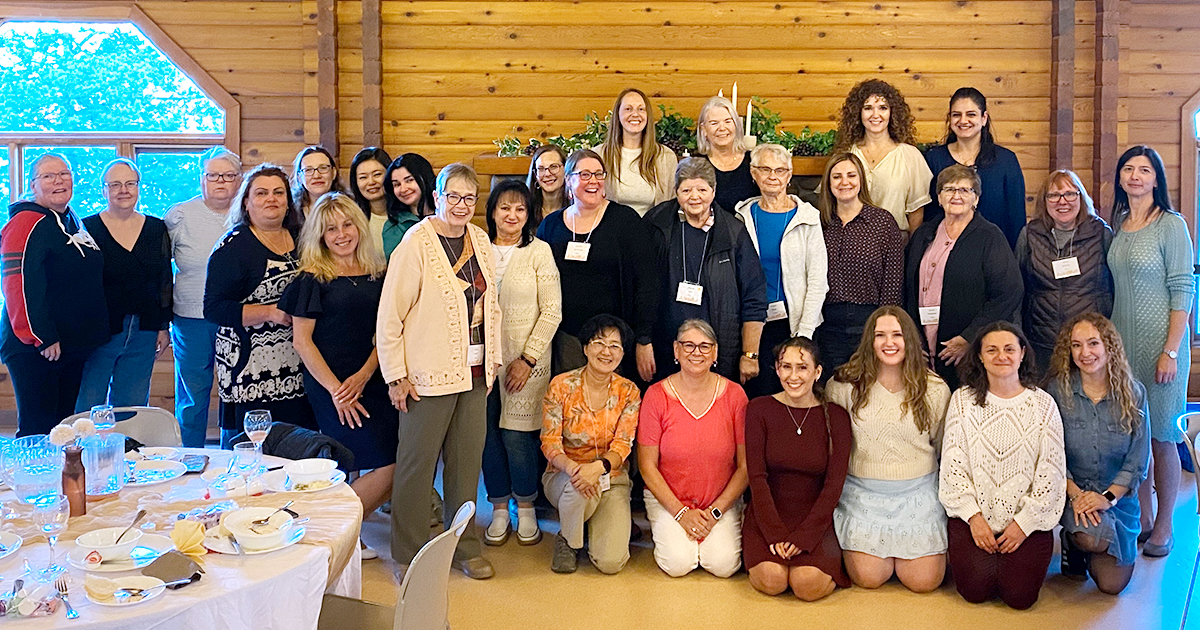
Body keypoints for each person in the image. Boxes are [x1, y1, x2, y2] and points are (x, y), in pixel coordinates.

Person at [378, 163, 501, 580]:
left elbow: (492, 307)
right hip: (426, 374)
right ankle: (409, 554)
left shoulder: (481, 240)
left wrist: (495, 359)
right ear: (437, 197)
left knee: (466, 465)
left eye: (470, 198)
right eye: (454, 196)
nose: (462, 205)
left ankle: (464, 546)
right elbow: (390, 315)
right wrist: (396, 375)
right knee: (417, 465)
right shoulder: (416, 243)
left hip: (475, 371)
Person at [279, 192, 395, 558]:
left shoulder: (379, 273)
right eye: (331, 229)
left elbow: (389, 330)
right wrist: (337, 390)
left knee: (390, 459)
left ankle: (336, 529)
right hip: (329, 381)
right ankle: (335, 531)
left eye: (347, 225)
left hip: (372, 376)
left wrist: (364, 374)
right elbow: (302, 341)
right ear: (319, 235)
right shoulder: (312, 278)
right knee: (351, 457)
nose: (341, 234)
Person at [939, 322, 1065, 610]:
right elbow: (953, 466)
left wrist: (1024, 524)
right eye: (991, 350)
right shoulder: (962, 401)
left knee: (1020, 599)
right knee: (974, 591)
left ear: (1022, 354)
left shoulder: (1043, 404)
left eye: (1009, 349)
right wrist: (974, 518)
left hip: (1025, 523)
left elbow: (1052, 473)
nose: (1001, 356)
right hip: (975, 521)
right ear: (980, 356)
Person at [1107, 145, 1193, 558]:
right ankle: (1141, 517)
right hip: (1123, 352)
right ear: (1121, 178)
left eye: (1144, 170)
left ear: (1156, 179)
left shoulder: (1171, 225)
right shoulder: (1119, 224)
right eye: (1129, 169)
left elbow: (1183, 290)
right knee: (1136, 438)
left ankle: (1164, 526)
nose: (1136, 176)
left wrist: (1171, 352)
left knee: (1162, 438)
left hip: (1162, 349)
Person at [827, 306, 951, 592]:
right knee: (869, 578)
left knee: (924, 582)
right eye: (880, 335)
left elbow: (942, 446)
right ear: (869, 341)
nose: (889, 343)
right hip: (864, 494)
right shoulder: (844, 386)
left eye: (897, 335)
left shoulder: (934, 389)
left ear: (909, 339)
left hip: (917, 493)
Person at [204, 164, 314, 447]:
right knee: (258, 451)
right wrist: (269, 312)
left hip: (299, 364)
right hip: (251, 370)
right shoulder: (233, 246)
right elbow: (214, 308)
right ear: (246, 202)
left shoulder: (302, 239)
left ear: (289, 202)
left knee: (298, 445)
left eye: (279, 193)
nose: (271, 199)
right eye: (262, 193)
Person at [0, 154, 107, 436]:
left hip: (71, 346)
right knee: (38, 429)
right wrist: (41, 336)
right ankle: (30, 479)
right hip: (38, 347)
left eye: (64, 174)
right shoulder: (25, 223)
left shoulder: (70, 219)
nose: (58, 180)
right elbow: (18, 284)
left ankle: (63, 480)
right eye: (48, 176)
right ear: (33, 185)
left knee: (63, 431)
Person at [481, 180, 562, 547]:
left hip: (526, 362)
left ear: (529, 215)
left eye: (520, 209)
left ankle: (525, 506)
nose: (511, 216)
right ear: (493, 211)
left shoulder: (538, 251)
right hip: (479, 361)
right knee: (487, 436)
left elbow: (552, 311)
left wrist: (527, 359)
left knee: (517, 436)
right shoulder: (476, 246)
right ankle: (498, 506)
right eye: (504, 208)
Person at [1046, 312, 1150, 594]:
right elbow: (1051, 455)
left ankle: (1089, 544)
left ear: (1109, 347)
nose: (1085, 352)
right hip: (1074, 494)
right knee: (1093, 539)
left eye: (1093, 343)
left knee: (1111, 586)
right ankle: (1075, 539)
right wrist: (1077, 496)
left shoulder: (1134, 393)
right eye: (1076, 345)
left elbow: (1138, 460)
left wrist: (1107, 499)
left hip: (1117, 498)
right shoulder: (1057, 391)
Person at [743, 336, 851, 601]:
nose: (794, 375)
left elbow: (833, 485)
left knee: (807, 585)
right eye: (786, 366)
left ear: (817, 372)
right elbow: (757, 478)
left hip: (815, 518)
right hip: (767, 515)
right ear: (777, 370)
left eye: (802, 367)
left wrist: (806, 535)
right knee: (772, 579)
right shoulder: (759, 409)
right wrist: (774, 532)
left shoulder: (836, 417)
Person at [638, 319, 749, 578]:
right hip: (669, 501)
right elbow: (646, 466)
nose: (696, 353)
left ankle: (707, 535)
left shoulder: (735, 395)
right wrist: (682, 514)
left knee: (723, 566)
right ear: (676, 351)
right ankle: (685, 536)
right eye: (688, 345)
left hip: (720, 500)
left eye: (704, 346)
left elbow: (745, 467)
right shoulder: (656, 395)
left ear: (715, 353)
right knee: (677, 565)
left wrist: (715, 512)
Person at [536, 149, 657, 381]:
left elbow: (647, 282)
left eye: (599, 174)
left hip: (613, 341)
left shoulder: (625, 221)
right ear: (568, 180)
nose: (593, 181)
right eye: (584, 175)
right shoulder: (550, 226)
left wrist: (644, 338)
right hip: (566, 340)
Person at [644, 157, 767, 383]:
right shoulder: (656, 224)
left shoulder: (733, 232)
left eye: (702, 189)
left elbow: (754, 295)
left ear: (713, 191)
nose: (694, 197)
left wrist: (750, 354)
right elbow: (640, 287)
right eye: (686, 189)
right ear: (676, 192)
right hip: (664, 347)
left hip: (719, 351)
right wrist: (643, 342)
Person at [905, 164, 1022, 390]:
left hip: (966, 350)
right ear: (939, 197)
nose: (956, 196)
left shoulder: (989, 237)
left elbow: (1009, 293)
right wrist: (912, 337)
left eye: (965, 190)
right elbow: (907, 288)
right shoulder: (924, 234)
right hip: (922, 346)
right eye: (949, 189)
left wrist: (969, 338)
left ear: (976, 199)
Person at [541, 314, 640, 574]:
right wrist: (575, 469)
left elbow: (623, 443)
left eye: (615, 346)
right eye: (599, 343)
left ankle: (585, 522)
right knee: (577, 489)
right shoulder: (561, 386)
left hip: (611, 477)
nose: (606, 352)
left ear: (621, 354)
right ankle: (569, 541)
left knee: (610, 563)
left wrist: (598, 468)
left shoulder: (629, 392)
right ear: (585, 348)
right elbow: (550, 442)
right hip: (565, 477)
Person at [76, 159, 172, 411]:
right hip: (99, 331)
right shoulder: (86, 228)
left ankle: (128, 450)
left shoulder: (156, 228)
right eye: (115, 184)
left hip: (144, 330)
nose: (124, 190)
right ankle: (84, 451)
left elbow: (164, 277)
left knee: (132, 406)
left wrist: (163, 327)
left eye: (130, 183)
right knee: (87, 403)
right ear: (103, 190)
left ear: (139, 187)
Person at [735, 143, 828, 397]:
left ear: (789, 175)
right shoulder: (741, 216)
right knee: (759, 397)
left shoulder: (808, 218)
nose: (772, 176)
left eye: (780, 170)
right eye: (765, 169)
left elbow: (818, 282)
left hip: (795, 323)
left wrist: (804, 336)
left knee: (796, 396)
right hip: (753, 325)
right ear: (754, 174)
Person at [166, 147, 242, 447]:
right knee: (192, 396)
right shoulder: (180, 215)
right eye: (213, 175)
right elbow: (160, 267)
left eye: (228, 175)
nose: (220, 181)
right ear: (202, 179)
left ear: (240, 179)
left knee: (235, 393)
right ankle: (188, 458)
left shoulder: (248, 214)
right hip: (190, 320)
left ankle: (234, 457)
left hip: (237, 319)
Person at [1016, 170, 1113, 372]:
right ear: (1044, 201)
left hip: (1089, 344)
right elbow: (1018, 287)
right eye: (1053, 195)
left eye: (1070, 194)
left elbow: (1115, 286)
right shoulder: (1030, 234)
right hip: (1042, 341)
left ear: (1081, 197)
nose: (1062, 201)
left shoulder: (1101, 233)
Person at [816, 152, 904, 375]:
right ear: (828, 183)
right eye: (837, 177)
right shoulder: (818, 223)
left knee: (868, 387)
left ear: (861, 180)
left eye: (851, 175)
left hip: (869, 323)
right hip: (826, 324)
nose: (844, 182)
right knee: (831, 390)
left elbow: (892, 281)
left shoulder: (882, 222)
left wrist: (885, 329)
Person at [924, 87, 1027, 248]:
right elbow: (929, 215)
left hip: (994, 253)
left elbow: (1016, 218)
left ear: (984, 118)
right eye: (956, 114)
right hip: (945, 253)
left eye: (971, 114)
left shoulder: (1006, 161)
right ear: (949, 118)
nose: (963, 121)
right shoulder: (934, 159)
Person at [832, 78, 932, 234]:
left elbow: (916, 214)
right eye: (868, 108)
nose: (875, 114)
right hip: (852, 243)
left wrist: (913, 252)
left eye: (883, 108)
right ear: (858, 113)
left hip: (896, 243)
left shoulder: (910, 156)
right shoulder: (847, 154)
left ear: (892, 112)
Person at [593, 88, 678, 216]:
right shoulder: (599, 155)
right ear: (618, 115)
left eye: (641, 109)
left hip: (653, 232)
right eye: (628, 109)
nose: (635, 114)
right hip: (611, 232)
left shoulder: (665, 157)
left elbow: (673, 205)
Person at [696, 96, 757, 213]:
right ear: (704, 129)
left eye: (728, 121)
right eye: (714, 123)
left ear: (736, 125)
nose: (722, 128)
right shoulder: (697, 166)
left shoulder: (754, 161)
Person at [381, 153, 436, 258]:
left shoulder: (444, 217)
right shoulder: (393, 227)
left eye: (409, 180)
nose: (403, 189)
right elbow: (397, 268)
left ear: (424, 178)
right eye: (397, 184)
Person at [347, 147, 392, 254]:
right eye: (363, 177)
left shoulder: (405, 218)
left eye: (377, 174)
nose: (371, 182)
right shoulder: (350, 218)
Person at [290, 146, 346, 221]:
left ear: (333, 173)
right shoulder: (291, 211)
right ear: (299, 178)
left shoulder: (349, 208)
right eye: (308, 170)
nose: (316, 176)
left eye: (323, 168)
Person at [526, 145, 569, 218]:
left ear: (565, 169)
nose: (547, 174)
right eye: (541, 169)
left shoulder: (576, 209)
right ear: (535, 175)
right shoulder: (525, 209)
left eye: (553, 167)